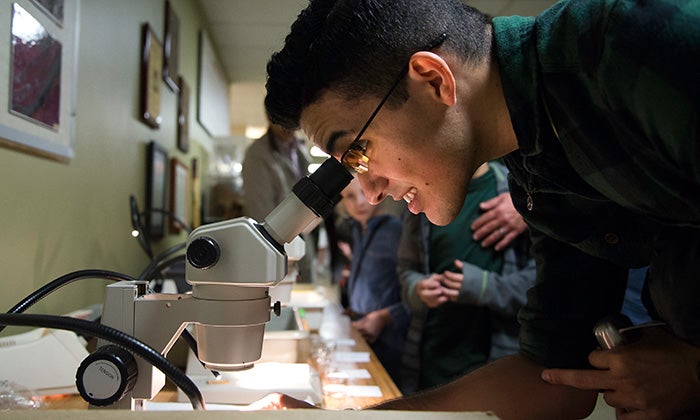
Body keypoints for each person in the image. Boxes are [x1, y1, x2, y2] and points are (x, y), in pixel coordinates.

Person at [261, 0, 700, 418]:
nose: (371, 192)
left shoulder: (633, 43)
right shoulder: (541, 173)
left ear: (434, 80)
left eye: (358, 153)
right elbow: (554, 378)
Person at [398, 161, 536, 394]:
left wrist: (485, 287)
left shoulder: (518, 194)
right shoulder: (419, 197)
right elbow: (405, 271)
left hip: (494, 367)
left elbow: (544, 285)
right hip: (428, 362)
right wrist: (417, 289)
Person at [339, 176, 410, 386]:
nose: (359, 202)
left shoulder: (394, 231)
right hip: (363, 332)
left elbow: (412, 293)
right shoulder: (359, 229)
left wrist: (384, 317)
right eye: (350, 197)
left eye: (363, 193)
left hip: (390, 339)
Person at [241, 119, 317, 284]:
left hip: (303, 241)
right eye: (282, 120)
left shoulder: (299, 149)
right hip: (278, 248)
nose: (288, 127)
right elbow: (262, 216)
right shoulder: (257, 155)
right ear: (270, 118)